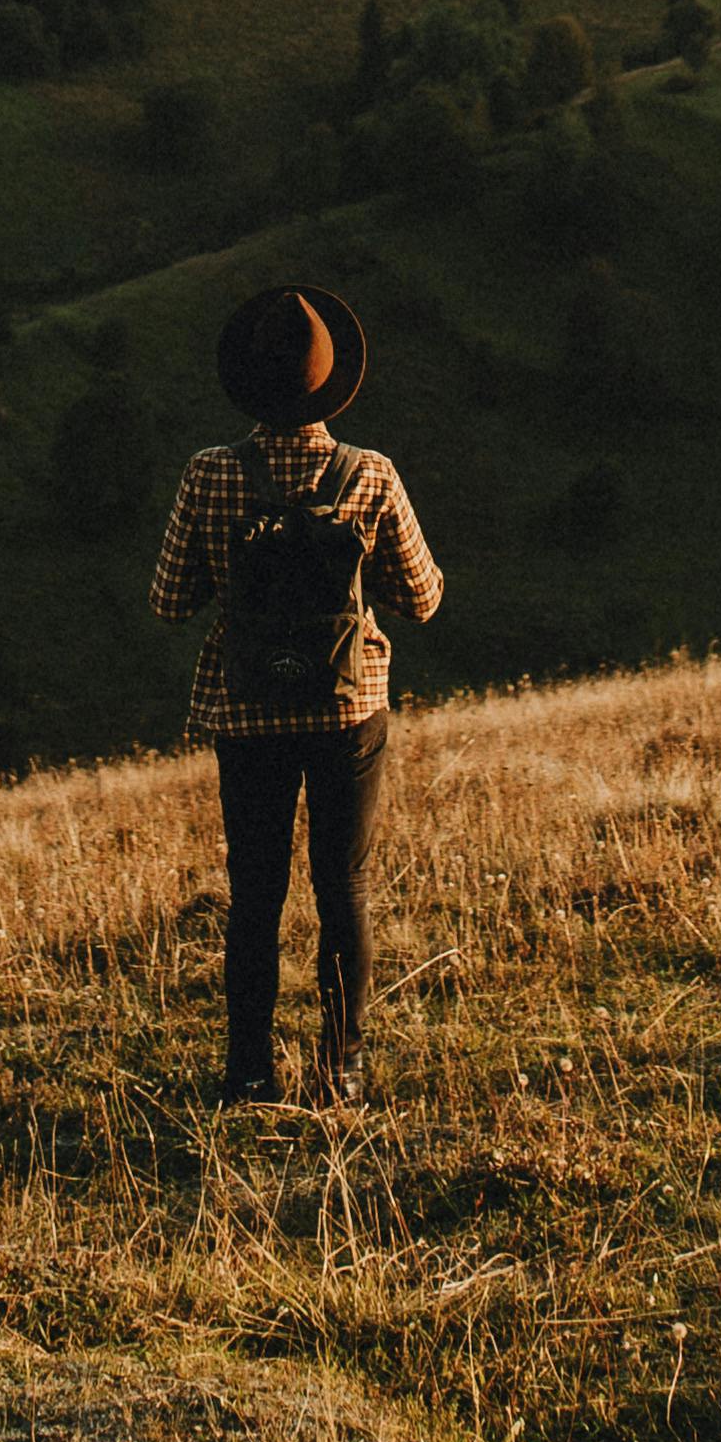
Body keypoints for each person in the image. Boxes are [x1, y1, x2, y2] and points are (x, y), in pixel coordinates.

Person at [150, 281, 444, 1109]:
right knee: (341, 887)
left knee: (255, 893)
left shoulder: (209, 474)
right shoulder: (370, 474)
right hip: (349, 707)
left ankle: (247, 1072)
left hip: (246, 710)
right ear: (330, 381)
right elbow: (421, 598)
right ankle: (340, 1069)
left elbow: (168, 601)